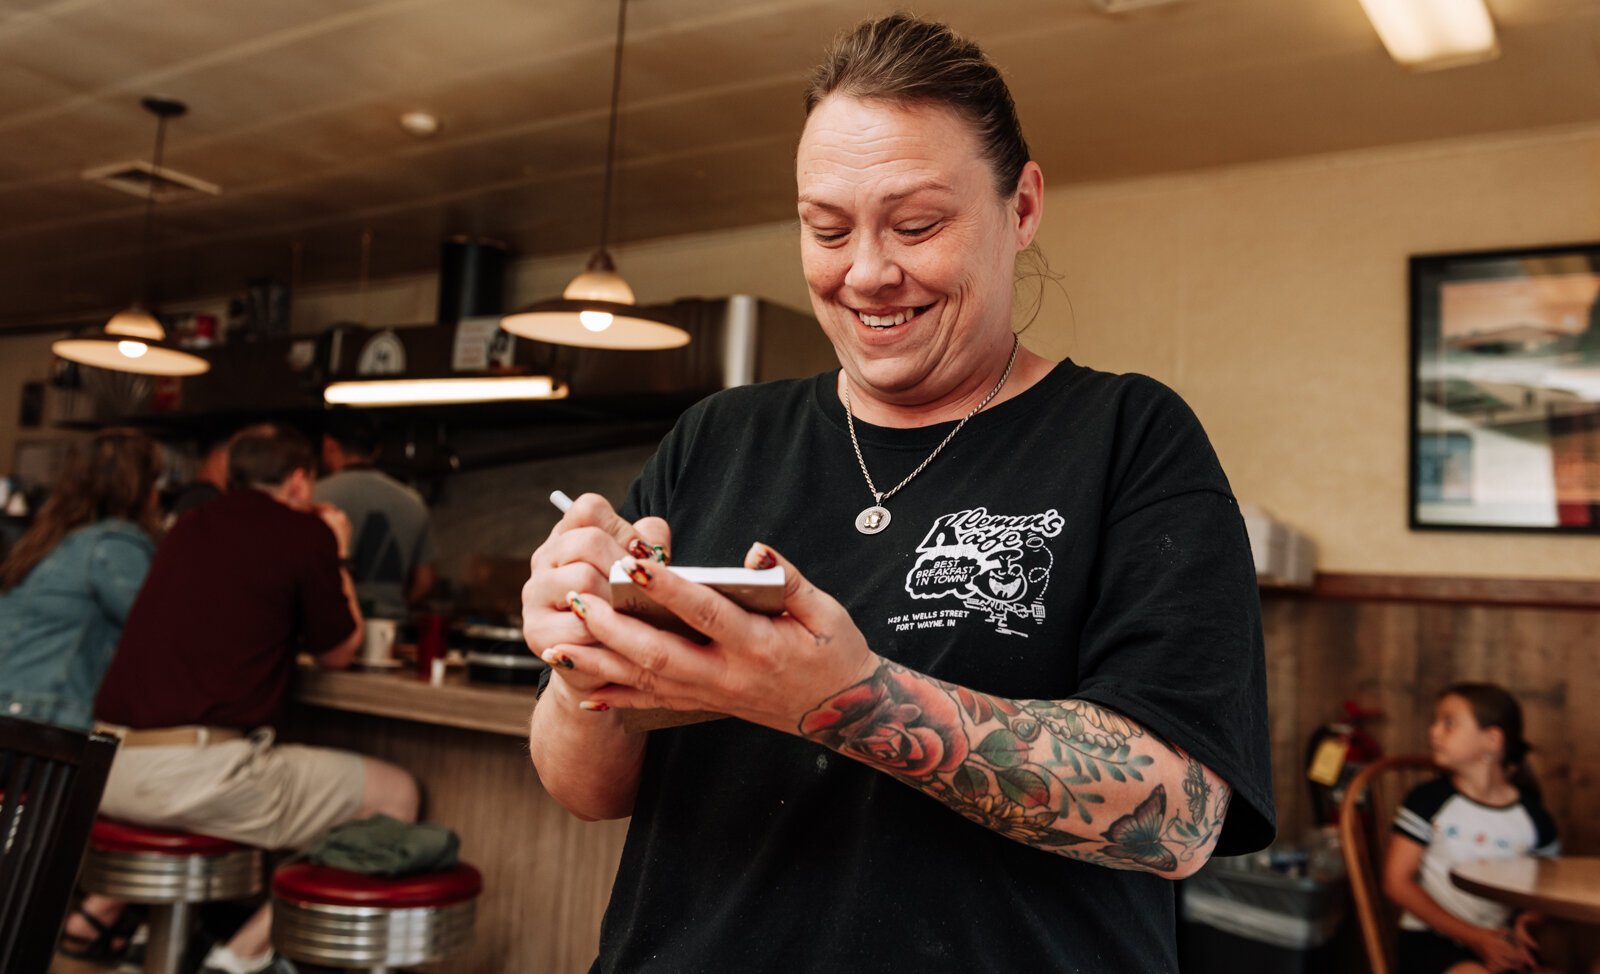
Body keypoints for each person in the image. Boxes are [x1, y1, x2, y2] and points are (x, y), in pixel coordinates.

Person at [522, 14, 1274, 972]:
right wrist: (583, 667)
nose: (868, 272)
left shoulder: (1130, 437)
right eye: (826, 229)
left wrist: (847, 698)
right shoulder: (720, 435)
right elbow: (586, 789)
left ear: (1024, 206)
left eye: (917, 225)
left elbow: (1182, 819)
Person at [86, 423, 419, 974]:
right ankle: (239, 958)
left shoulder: (186, 525)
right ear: (297, 482)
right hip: (190, 773)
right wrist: (338, 551)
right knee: (397, 796)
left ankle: (148, 937)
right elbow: (339, 652)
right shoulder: (301, 533)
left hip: (108, 766)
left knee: (228, 793)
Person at [1385, 683, 1560, 974]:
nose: (1434, 731)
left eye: (1448, 723)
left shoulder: (1534, 818)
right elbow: (1396, 882)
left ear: (1491, 740)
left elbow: (1550, 889)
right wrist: (1475, 937)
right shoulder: (1428, 800)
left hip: (1502, 942)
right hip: (1432, 941)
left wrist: (1528, 920)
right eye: (1435, 722)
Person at [0, 428, 162, 732]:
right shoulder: (113, 544)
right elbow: (161, 631)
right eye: (155, 481)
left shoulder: (45, 541)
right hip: (42, 721)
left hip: (13, 714)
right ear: (139, 488)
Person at [315, 412, 436, 618]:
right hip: (388, 629)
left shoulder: (314, 497)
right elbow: (424, 581)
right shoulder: (413, 501)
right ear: (377, 451)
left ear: (329, 445)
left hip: (330, 629)